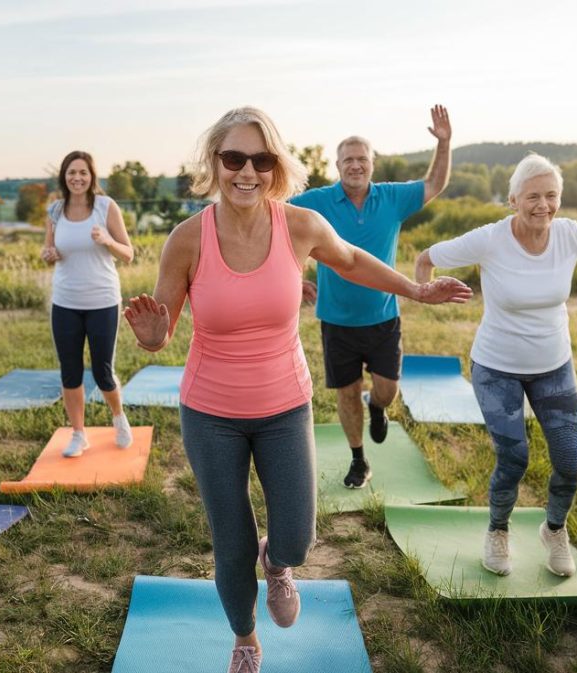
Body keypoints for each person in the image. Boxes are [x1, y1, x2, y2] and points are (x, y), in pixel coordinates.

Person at [124, 107, 471, 673]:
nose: (246, 172)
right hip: (210, 411)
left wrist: (414, 289)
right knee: (230, 539)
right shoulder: (187, 240)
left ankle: (279, 565)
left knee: (297, 536)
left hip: (284, 404)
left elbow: (354, 260)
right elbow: (162, 328)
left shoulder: (298, 225)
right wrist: (153, 333)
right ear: (216, 163)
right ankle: (245, 638)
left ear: (275, 166)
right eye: (234, 158)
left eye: (260, 160)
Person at [415, 153, 577, 578]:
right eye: (532, 196)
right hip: (496, 367)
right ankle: (498, 531)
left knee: (570, 461)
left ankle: (555, 529)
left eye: (551, 195)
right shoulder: (491, 239)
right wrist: (425, 290)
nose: (542, 204)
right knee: (515, 459)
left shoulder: (568, 235)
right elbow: (426, 256)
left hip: (554, 366)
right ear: (513, 199)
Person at [289, 105, 452, 489]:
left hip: (383, 317)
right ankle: (358, 459)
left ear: (372, 164)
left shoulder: (392, 198)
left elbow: (434, 184)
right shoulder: (317, 202)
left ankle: (378, 407)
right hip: (336, 320)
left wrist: (444, 143)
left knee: (387, 389)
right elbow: (278, 228)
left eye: (362, 159)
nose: (356, 165)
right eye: (349, 160)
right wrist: (294, 277)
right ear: (337, 165)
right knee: (346, 393)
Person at [41, 151, 135, 457]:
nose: (77, 178)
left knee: (102, 372)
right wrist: (49, 255)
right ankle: (79, 434)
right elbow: (48, 249)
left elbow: (128, 254)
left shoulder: (105, 207)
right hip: (65, 300)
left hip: (102, 300)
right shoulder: (55, 210)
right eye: (71, 173)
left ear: (92, 176)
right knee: (70, 371)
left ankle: (118, 417)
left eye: (83, 172)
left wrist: (108, 240)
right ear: (64, 177)